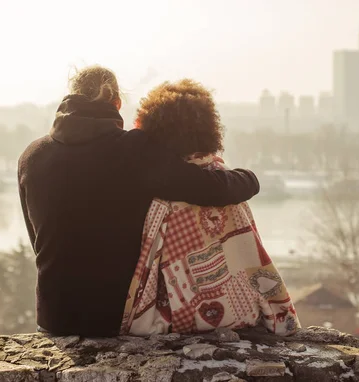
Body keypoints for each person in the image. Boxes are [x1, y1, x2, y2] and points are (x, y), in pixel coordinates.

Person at [18, 66, 260, 337]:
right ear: (117, 104)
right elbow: (209, 189)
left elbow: (38, 238)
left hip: (54, 319)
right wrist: (249, 178)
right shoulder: (133, 149)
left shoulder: (32, 156)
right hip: (114, 318)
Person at [121, 79, 299, 336]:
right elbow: (254, 258)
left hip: (171, 324)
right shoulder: (223, 180)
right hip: (238, 319)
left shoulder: (155, 186)